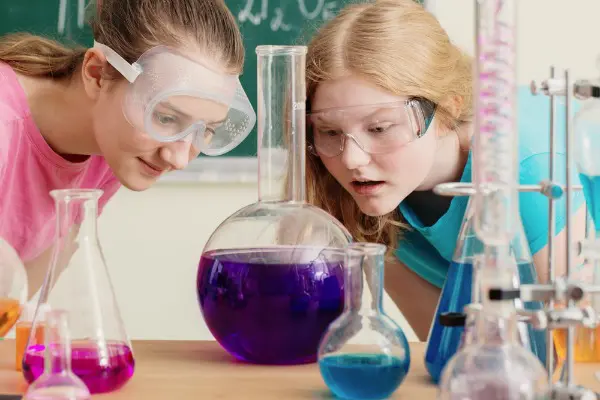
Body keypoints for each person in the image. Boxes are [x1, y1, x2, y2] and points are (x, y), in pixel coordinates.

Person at [304, 0, 587, 340]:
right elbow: (446, 347)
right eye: (330, 132)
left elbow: (570, 348)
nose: (351, 159)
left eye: (379, 128)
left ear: (448, 108)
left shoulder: (528, 174)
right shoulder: (374, 193)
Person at [0, 0, 256, 293]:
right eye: (166, 117)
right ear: (97, 74)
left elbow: (24, 304)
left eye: (207, 130)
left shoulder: (111, 147)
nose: (179, 158)